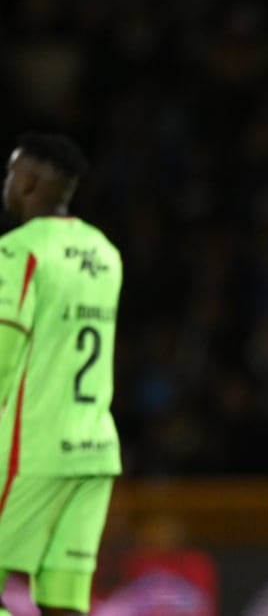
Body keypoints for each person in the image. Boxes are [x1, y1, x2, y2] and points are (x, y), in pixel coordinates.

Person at [0, 133, 123, 616]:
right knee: (63, 602)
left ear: (28, 180)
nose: (8, 183)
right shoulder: (104, 253)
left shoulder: (18, 251)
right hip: (94, 449)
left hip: (32, 449)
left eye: (12, 172)